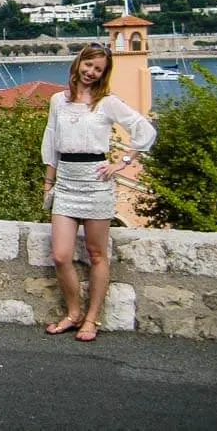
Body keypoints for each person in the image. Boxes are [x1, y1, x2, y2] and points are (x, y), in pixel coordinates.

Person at [40, 43, 156, 342]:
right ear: (79, 63)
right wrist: (48, 182)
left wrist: (123, 162)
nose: (91, 72)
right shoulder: (58, 101)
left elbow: (144, 130)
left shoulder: (107, 103)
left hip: (96, 182)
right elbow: (51, 141)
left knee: (96, 254)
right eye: (88, 65)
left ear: (104, 73)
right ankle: (73, 312)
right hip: (66, 180)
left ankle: (92, 319)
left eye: (98, 69)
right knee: (61, 255)